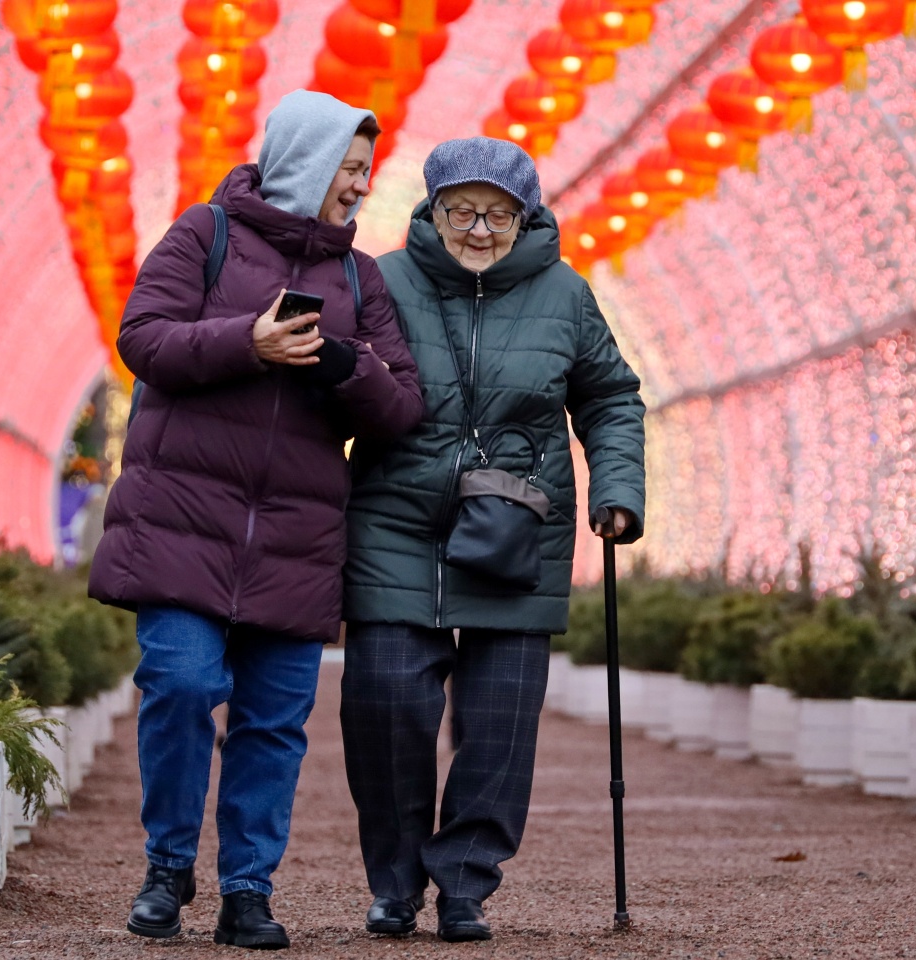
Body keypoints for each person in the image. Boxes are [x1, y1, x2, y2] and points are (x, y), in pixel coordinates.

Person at [89, 90, 424, 950]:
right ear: (306, 163)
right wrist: (251, 341)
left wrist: (343, 367)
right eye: (349, 169)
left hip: (296, 541)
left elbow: (401, 407)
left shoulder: (362, 278)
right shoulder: (204, 235)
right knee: (183, 685)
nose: (360, 185)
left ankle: (247, 889)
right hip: (181, 526)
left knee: (275, 724)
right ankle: (168, 865)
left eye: (365, 170)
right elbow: (144, 339)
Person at [339, 137, 646, 942]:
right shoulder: (380, 279)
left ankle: (465, 883)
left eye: (497, 214)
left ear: (527, 215)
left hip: (518, 526)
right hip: (396, 519)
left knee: (500, 722)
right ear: (431, 211)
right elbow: (337, 383)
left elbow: (612, 398)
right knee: (384, 705)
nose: (478, 230)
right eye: (461, 212)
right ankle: (395, 884)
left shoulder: (567, 295)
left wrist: (617, 493)